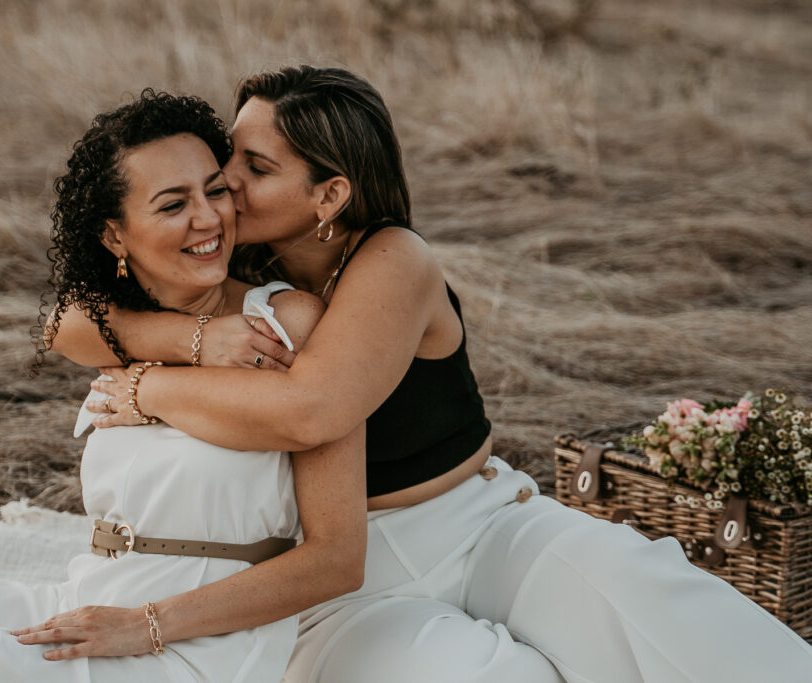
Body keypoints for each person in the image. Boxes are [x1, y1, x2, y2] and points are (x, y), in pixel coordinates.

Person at [50, 66, 812, 682]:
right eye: (225, 165)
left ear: (330, 194)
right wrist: (196, 335)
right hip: (336, 573)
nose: (224, 188)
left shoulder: (393, 259)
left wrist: (151, 385)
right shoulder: (238, 259)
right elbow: (64, 322)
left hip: (479, 528)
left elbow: (311, 411)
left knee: (671, 616)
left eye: (252, 167)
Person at [0, 90, 367, 683]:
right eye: (173, 205)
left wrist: (144, 624)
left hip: (191, 651)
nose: (209, 217)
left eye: (215, 190)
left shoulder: (286, 323)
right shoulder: (118, 327)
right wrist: (196, 340)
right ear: (116, 237)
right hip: (88, 600)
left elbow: (337, 561)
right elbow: (61, 322)